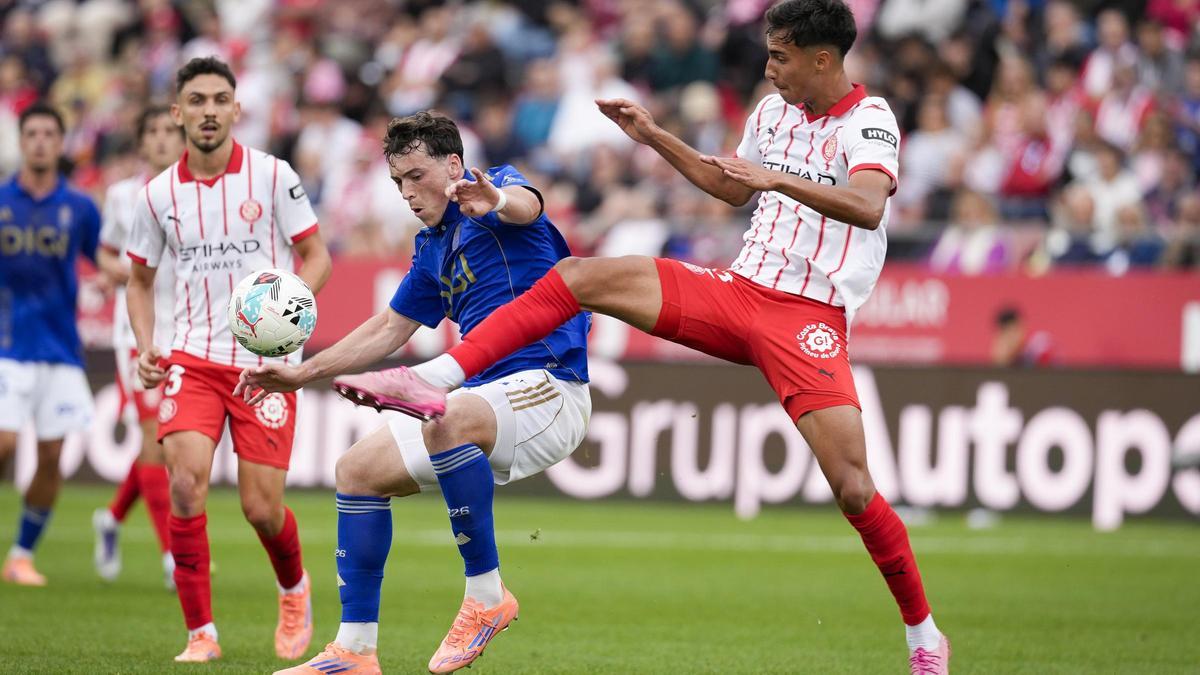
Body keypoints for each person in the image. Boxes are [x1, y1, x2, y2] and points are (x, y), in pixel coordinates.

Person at [334, 1, 952, 672]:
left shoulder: (870, 118)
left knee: (853, 487)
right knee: (577, 275)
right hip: (739, 291)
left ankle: (924, 636)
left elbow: (867, 205)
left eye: (780, 56)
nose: (769, 68)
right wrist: (654, 136)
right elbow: (730, 187)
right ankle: (437, 378)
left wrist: (777, 178)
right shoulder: (772, 113)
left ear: (822, 58)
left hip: (807, 317)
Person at [236, 111, 592, 675]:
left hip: (550, 387)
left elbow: (528, 206)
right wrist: (302, 372)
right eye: (398, 181)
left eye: (416, 176)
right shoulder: (431, 249)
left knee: (442, 413)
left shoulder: (496, 188)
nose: (406, 192)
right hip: (484, 397)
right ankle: (354, 651)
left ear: (453, 165)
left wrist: (495, 199)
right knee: (356, 470)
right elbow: (388, 328)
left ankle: (487, 596)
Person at [125, 56, 332, 663]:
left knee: (261, 509)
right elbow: (139, 281)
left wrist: (287, 310)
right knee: (185, 484)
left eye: (220, 99)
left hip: (265, 363)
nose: (209, 111)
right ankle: (201, 634)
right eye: (197, 100)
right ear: (178, 112)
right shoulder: (157, 196)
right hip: (192, 356)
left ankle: (293, 587)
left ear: (237, 108)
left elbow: (316, 256)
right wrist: (146, 344)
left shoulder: (272, 176)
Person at [0, 101, 103, 587]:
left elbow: (103, 258)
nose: (40, 142)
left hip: (60, 348)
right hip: (7, 343)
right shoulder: (3, 201)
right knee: (4, 441)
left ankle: (21, 555)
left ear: (60, 143)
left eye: (49, 134)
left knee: (50, 456)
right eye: (33, 134)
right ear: (22, 142)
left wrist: (124, 275)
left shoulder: (80, 207)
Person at [91, 105, 185, 590]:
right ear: (142, 141)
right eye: (153, 132)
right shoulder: (123, 196)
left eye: (170, 131)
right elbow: (105, 254)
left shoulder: (197, 194)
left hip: (187, 333)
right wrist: (131, 274)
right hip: (137, 334)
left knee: (168, 444)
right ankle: (173, 555)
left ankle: (110, 519)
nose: (162, 139)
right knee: (154, 439)